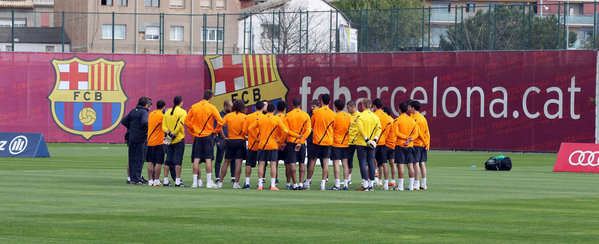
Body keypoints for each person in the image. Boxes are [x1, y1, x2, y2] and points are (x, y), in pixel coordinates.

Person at [249, 104, 301, 190]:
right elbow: (285, 130)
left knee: (261, 164)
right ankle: (273, 185)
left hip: (262, 144)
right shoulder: (276, 119)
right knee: (273, 164)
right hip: (273, 144)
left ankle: (260, 185)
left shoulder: (261, 118)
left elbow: (250, 128)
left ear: (267, 110)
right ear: (274, 111)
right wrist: (282, 140)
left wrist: (256, 138)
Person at [185, 90, 224, 188]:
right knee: (208, 159)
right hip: (208, 135)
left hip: (198, 135)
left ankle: (195, 182)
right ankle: (209, 182)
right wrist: (216, 131)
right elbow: (221, 121)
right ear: (210, 98)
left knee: (196, 159)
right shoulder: (211, 107)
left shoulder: (194, 106)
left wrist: (192, 129)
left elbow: (186, 120)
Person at [306, 94, 336, 191]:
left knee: (312, 161)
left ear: (321, 101)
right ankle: (323, 183)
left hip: (317, 140)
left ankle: (308, 181)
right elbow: (334, 127)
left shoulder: (316, 112)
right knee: (326, 162)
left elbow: (312, 126)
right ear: (330, 102)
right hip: (328, 141)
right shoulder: (333, 114)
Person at [216, 99, 247, 189]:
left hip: (230, 140)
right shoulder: (245, 117)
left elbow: (219, 126)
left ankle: (220, 183)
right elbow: (247, 130)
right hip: (241, 141)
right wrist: (245, 136)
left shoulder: (228, 116)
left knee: (226, 162)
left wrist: (224, 137)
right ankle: (236, 183)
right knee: (239, 162)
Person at [121, 97, 151, 185]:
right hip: (140, 138)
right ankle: (137, 178)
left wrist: (132, 128)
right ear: (146, 104)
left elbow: (124, 121)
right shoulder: (143, 112)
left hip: (132, 138)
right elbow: (145, 122)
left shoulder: (133, 111)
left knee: (132, 158)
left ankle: (132, 178)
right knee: (139, 158)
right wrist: (145, 131)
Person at [283, 98, 311, 190]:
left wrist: (296, 136)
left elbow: (286, 130)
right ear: (300, 104)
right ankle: (300, 184)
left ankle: (294, 184)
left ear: (292, 104)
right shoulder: (306, 115)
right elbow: (308, 131)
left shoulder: (288, 115)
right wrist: (301, 140)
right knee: (302, 163)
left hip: (291, 141)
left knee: (292, 162)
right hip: (302, 143)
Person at [355, 99, 382, 191]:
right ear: (370, 106)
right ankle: (371, 185)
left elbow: (360, 129)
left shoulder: (360, 116)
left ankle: (365, 185)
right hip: (372, 143)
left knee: (362, 162)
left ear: (363, 106)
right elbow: (379, 129)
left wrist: (366, 139)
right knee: (371, 162)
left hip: (362, 142)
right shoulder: (375, 117)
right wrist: (374, 139)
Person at [241, 100, 268, 189]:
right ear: (263, 108)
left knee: (249, 164)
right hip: (262, 144)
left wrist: (249, 137)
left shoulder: (248, 117)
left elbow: (245, 131)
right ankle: (260, 183)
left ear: (255, 107)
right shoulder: (265, 117)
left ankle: (247, 183)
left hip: (252, 144)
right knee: (261, 164)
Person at [393, 102, 419, 191]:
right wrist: (410, 139)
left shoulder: (397, 120)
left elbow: (396, 133)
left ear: (399, 109)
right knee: (410, 165)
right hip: (410, 145)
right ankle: (411, 185)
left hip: (400, 145)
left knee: (400, 165)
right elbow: (416, 133)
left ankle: (400, 186)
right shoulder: (411, 120)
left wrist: (405, 138)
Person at [162, 96, 187, 187]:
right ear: (181, 102)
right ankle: (177, 181)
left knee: (168, 160)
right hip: (178, 138)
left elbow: (163, 126)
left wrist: (168, 133)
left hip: (168, 138)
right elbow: (180, 125)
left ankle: (165, 180)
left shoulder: (167, 112)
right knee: (178, 161)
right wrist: (174, 133)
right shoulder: (183, 112)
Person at [329, 99, 350, 190]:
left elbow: (332, 128)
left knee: (336, 163)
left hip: (336, 143)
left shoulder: (335, 117)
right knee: (345, 163)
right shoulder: (348, 116)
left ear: (336, 107)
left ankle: (337, 184)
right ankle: (345, 184)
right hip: (345, 142)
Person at [409, 100, 430, 190]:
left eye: (410, 107)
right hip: (423, 143)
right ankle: (424, 183)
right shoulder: (423, 118)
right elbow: (427, 132)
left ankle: (416, 183)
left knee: (415, 163)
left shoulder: (415, 118)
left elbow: (418, 133)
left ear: (413, 108)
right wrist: (427, 143)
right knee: (422, 163)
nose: (409, 109)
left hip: (416, 143)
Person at [372, 99, 392, 190]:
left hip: (374, 142)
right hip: (383, 142)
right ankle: (385, 183)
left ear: (375, 106)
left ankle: (371, 182)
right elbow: (388, 131)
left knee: (372, 162)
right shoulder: (387, 117)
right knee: (384, 163)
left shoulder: (373, 115)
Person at [146, 100, 166, 186]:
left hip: (150, 141)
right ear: (164, 107)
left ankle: (150, 180)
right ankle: (157, 180)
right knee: (158, 162)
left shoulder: (151, 114)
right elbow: (165, 127)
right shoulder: (162, 116)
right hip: (159, 141)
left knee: (151, 162)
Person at [214, 100, 234, 183]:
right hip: (222, 140)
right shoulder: (219, 115)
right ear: (225, 106)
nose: (231, 108)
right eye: (230, 106)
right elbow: (215, 128)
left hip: (230, 140)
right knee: (219, 158)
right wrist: (217, 140)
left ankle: (233, 176)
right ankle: (217, 176)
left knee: (232, 159)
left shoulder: (232, 115)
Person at [301, 99, 320, 189]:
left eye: (314, 106)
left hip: (319, 139)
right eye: (311, 106)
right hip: (310, 140)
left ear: (318, 106)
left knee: (323, 160)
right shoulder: (309, 115)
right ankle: (309, 178)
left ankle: (325, 178)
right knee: (310, 159)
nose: (312, 108)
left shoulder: (319, 114)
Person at [346, 101, 360, 186]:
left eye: (348, 107)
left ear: (353, 107)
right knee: (349, 160)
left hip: (358, 141)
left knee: (362, 161)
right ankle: (348, 179)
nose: (347, 109)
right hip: (349, 141)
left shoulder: (359, 115)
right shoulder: (348, 116)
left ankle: (366, 179)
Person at [383, 107, 397, 188]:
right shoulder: (393, 120)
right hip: (393, 144)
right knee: (392, 163)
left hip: (387, 144)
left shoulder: (387, 120)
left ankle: (384, 181)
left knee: (383, 163)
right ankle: (393, 181)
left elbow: (386, 133)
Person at [275, 101, 287, 188]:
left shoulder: (274, 117)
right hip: (285, 144)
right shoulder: (286, 117)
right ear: (284, 109)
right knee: (288, 164)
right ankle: (288, 183)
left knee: (274, 164)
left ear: (276, 108)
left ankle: (274, 181)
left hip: (275, 143)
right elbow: (287, 131)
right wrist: (284, 142)